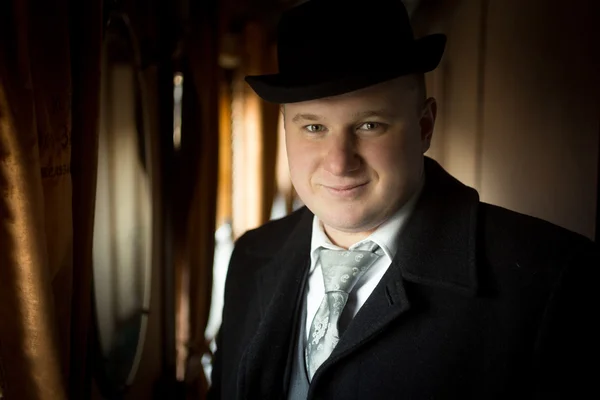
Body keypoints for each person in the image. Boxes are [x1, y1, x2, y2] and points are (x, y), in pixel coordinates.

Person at [207, 0, 598, 398]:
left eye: (369, 125)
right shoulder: (250, 257)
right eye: (313, 127)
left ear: (424, 126)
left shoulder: (551, 280)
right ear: (286, 130)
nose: (340, 163)